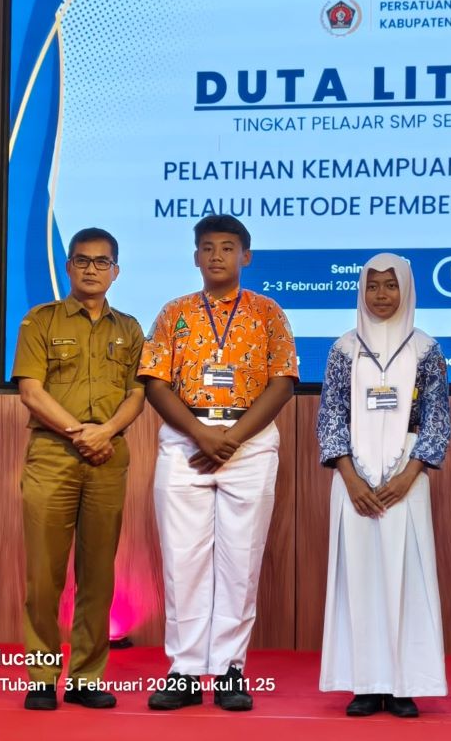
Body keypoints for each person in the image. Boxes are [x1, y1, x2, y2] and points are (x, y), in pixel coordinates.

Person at [138, 214, 298, 712]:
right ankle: (185, 671)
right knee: (182, 561)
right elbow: (155, 383)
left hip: (248, 445)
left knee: (240, 562)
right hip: (186, 443)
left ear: (245, 256)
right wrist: (201, 434)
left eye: (227, 247)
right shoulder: (174, 312)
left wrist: (231, 438)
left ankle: (230, 669)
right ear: (195, 257)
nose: (216, 256)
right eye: (207, 248)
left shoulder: (268, 313)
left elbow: (283, 383)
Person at [12, 227, 145, 711]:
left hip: (108, 456)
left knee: (98, 575)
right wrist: (79, 433)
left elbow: (137, 394)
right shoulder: (40, 320)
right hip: (54, 454)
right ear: (68, 267)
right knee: (43, 574)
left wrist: (104, 432)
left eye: (101, 261)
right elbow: (31, 391)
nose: (92, 269)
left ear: (115, 271)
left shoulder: (130, 329)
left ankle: (87, 677)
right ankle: (42, 676)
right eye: (83, 260)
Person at [317, 254, 451, 718]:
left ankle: (402, 684)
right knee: (357, 577)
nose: (380, 294)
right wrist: (350, 478)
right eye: (372, 285)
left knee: (407, 575)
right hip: (352, 478)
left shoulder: (426, 349)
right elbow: (330, 417)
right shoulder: (344, 348)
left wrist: (410, 475)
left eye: (390, 285)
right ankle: (364, 683)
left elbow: (437, 419)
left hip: (406, 478)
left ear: (406, 289)